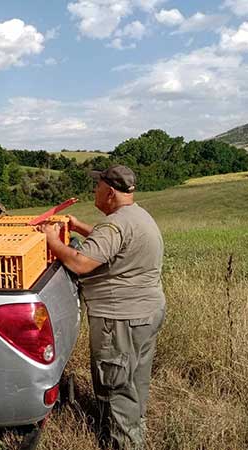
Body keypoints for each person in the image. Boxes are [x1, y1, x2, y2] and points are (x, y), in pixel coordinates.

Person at [39, 165, 165, 449]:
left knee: (115, 386)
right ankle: (135, 430)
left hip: (120, 319)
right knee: (134, 381)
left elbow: (81, 263)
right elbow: (111, 241)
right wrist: (78, 224)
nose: (94, 190)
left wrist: (52, 241)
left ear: (109, 192)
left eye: (97, 185)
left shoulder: (115, 225)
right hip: (145, 313)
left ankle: (123, 443)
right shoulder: (135, 216)